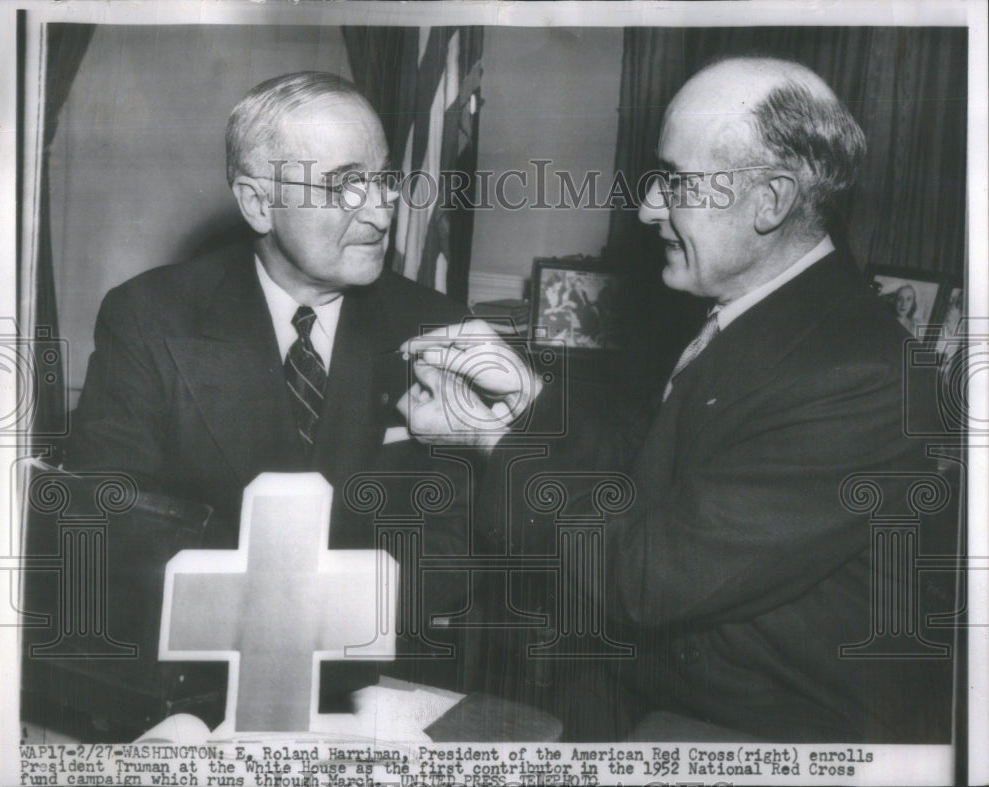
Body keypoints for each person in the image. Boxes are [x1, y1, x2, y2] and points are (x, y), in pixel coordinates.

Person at [398, 57, 952, 742]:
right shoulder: (757, 313)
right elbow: (649, 469)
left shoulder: (865, 375)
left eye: (675, 183)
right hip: (653, 692)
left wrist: (491, 440)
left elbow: (646, 577)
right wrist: (529, 398)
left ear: (771, 200)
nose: (646, 207)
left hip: (763, 738)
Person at [58, 72, 471, 729]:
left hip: (376, 687)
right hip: (192, 691)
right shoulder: (151, 317)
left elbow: (457, 542)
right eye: (342, 184)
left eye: (385, 177)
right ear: (257, 201)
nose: (380, 209)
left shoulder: (438, 329)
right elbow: (110, 523)